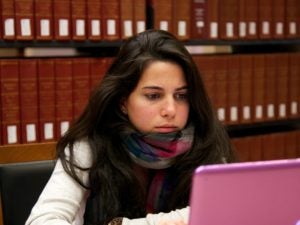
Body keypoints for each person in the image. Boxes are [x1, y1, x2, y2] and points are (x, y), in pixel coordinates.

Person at [25, 29, 237, 225]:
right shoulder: (91, 143)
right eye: (153, 96)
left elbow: (227, 212)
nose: (170, 109)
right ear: (123, 102)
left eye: (181, 96)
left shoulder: (205, 139)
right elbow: (43, 221)